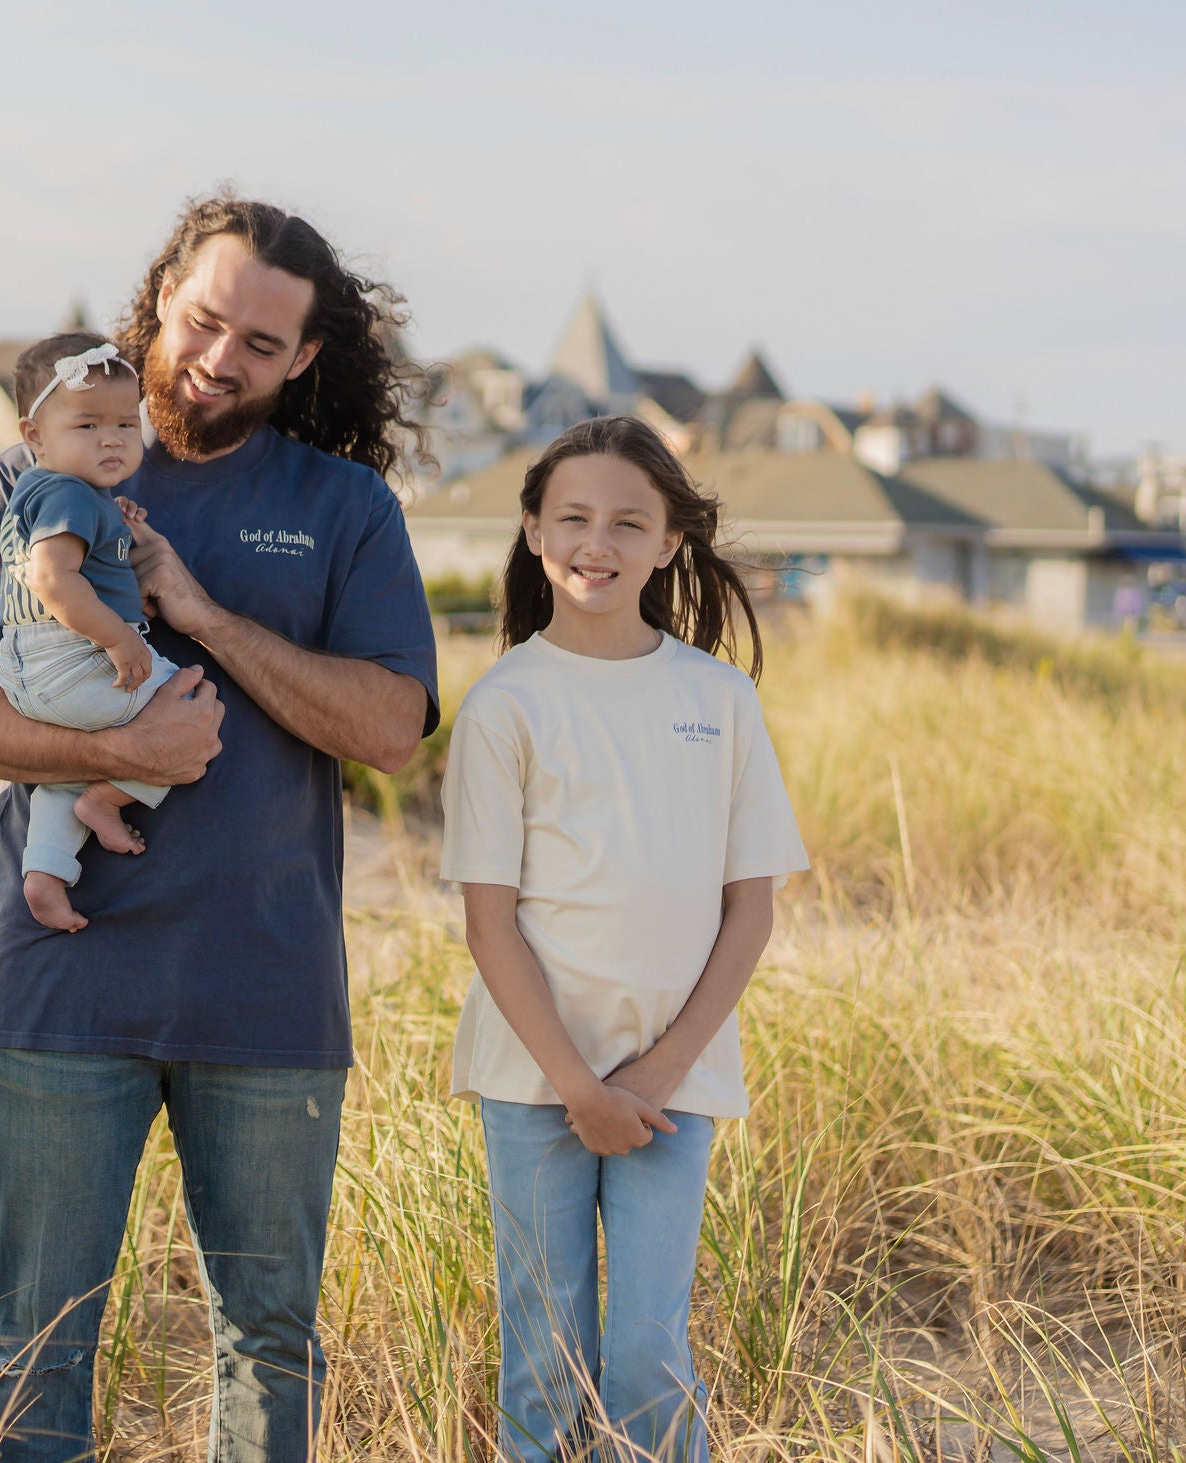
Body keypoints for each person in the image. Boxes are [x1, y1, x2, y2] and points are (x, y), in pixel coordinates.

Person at [0, 195, 439, 1462]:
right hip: (62, 982)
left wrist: (202, 617)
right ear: (157, 298)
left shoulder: (345, 505)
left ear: (303, 357)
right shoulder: (25, 477)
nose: (216, 359)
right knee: (37, 1340)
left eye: (259, 343)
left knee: (268, 1339)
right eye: (202, 321)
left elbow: (389, 727)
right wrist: (116, 753)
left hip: (264, 990)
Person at [439, 416, 808, 1461]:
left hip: (670, 1084)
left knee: (649, 1353)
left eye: (626, 523)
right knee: (544, 1356)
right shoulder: (504, 703)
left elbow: (750, 907)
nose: (595, 543)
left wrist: (657, 1070)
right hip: (533, 1080)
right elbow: (488, 921)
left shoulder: (718, 698)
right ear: (531, 529)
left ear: (669, 542)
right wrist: (578, 1084)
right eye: (572, 518)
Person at [0, 331, 180, 932]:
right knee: (189, 709)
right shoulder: (70, 495)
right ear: (34, 436)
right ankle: (109, 796)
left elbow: (83, 569)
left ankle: (45, 875)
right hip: (68, 659)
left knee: (62, 780)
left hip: (33, 667)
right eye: (87, 425)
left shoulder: (52, 492)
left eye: (127, 424)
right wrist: (120, 638)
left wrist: (115, 531)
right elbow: (52, 579)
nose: (112, 438)